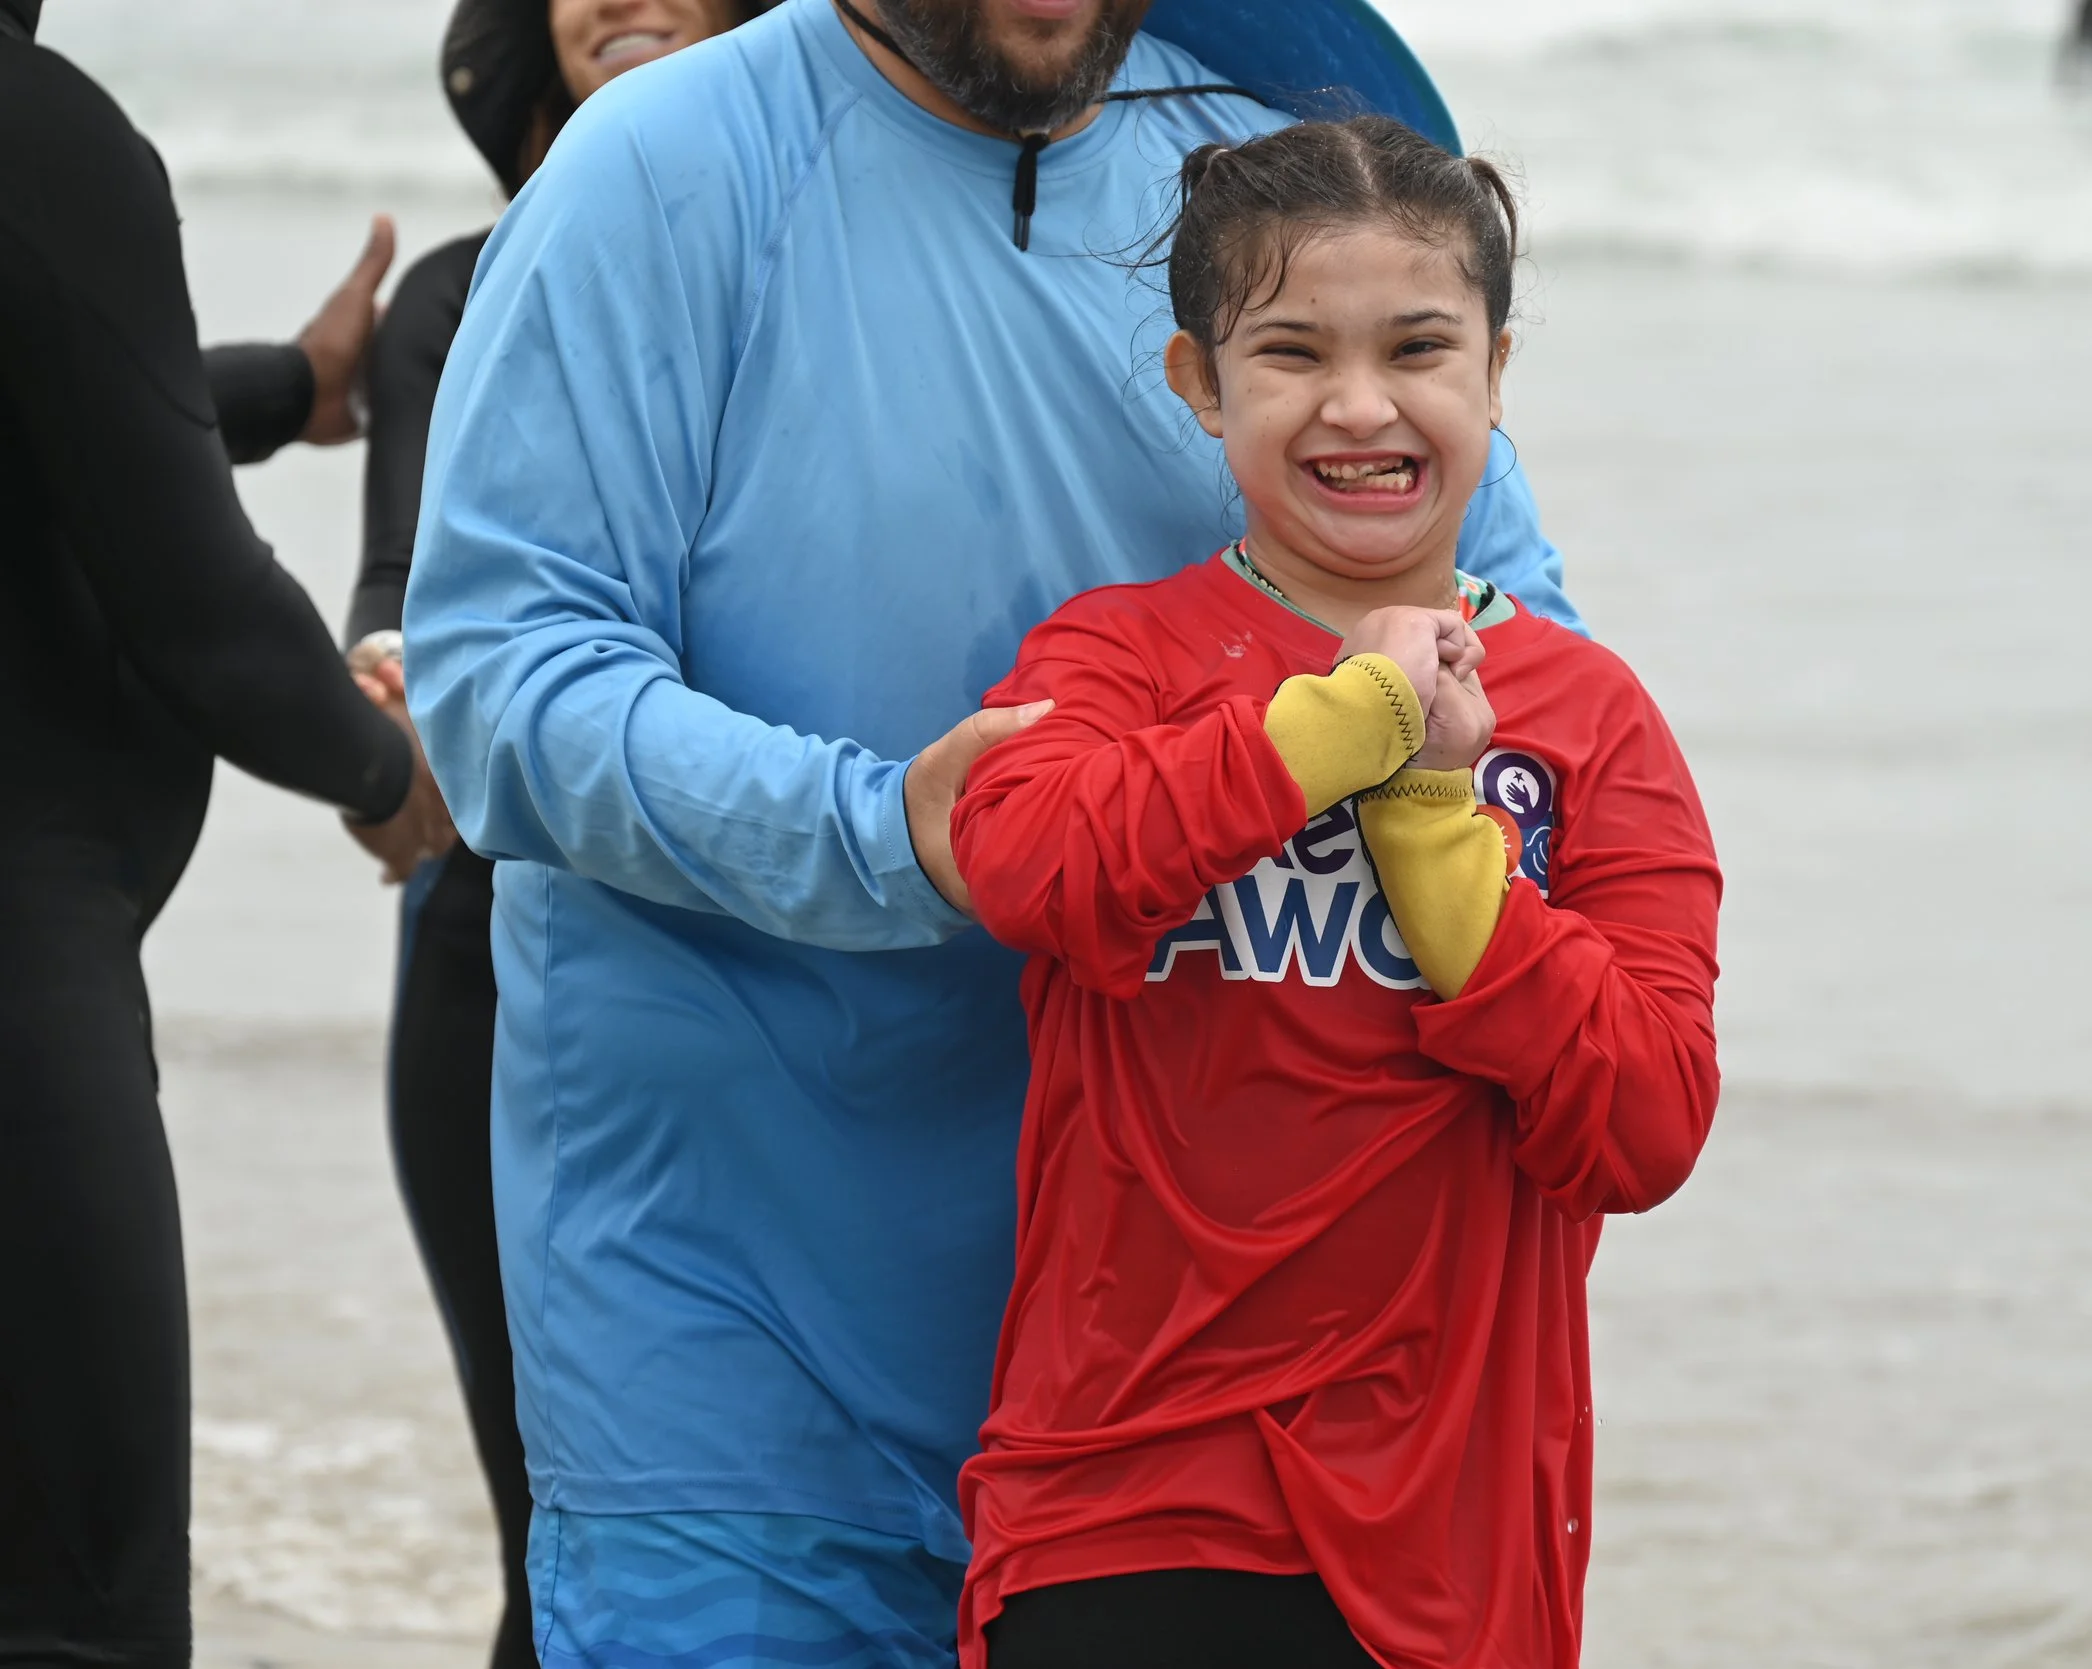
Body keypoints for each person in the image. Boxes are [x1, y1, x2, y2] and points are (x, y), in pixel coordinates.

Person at [404, 0, 1578, 1662]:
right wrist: (884, 835)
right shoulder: (656, 170)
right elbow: (502, 684)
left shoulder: (1263, 163)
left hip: (1193, 1395)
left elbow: (1512, 636)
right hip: (737, 1342)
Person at [950, 116, 1722, 1669]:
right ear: (1198, 381)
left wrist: (1440, 830)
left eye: (1420, 347)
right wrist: (1339, 726)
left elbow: (1644, 1119)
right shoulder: (1119, 657)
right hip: (1126, 1494)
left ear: (1497, 373)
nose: (1361, 406)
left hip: (1453, 1537)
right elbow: (1029, 862)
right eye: (1292, 352)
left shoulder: (1590, 717)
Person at [0, 3, 456, 1663]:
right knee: (79, 1598)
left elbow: (61, 407)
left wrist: (275, 389)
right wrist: (383, 768)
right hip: (18, 989)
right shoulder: (35, 132)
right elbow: (198, 605)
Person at [354, 4, 767, 1665]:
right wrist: (380, 719)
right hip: (499, 972)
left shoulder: (830, 262)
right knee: (564, 1538)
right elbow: (405, 603)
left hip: (818, 970)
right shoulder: (456, 295)